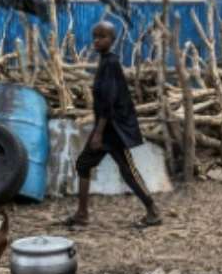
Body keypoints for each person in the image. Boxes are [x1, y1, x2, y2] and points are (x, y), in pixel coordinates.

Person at [65, 21, 162, 228]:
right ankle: (82, 214)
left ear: (112, 40)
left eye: (102, 37)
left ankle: (153, 211)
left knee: (128, 170)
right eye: (95, 36)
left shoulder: (110, 63)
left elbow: (108, 102)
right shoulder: (104, 61)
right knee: (84, 164)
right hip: (106, 127)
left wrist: (98, 133)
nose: (96, 40)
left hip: (113, 128)